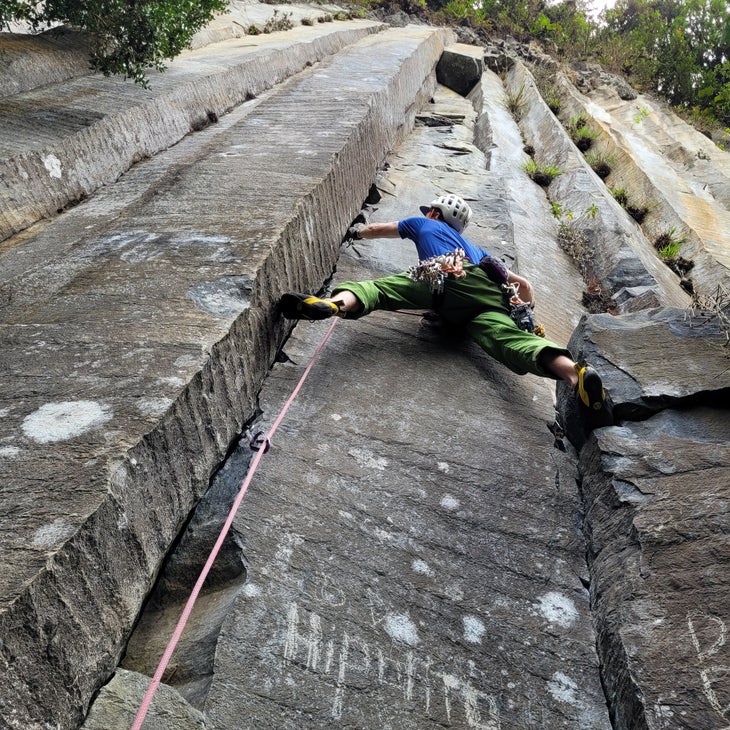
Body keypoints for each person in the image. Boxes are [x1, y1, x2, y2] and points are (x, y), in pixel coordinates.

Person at [280, 194, 613, 428]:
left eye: (430, 212)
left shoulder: (422, 223)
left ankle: (334, 304)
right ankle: (575, 375)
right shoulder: (478, 249)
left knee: (378, 290)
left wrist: (356, 231)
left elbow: (377, 229)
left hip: (441, 272)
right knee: (511, 340)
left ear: (436, 214)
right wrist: (525, 309)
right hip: (488, 295)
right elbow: (523, 284)